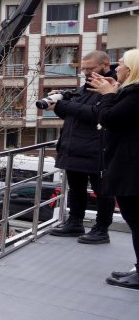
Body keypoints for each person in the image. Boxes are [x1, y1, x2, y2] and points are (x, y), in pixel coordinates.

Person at [47, 50, 116, 244]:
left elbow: (97, 114)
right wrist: (59, 104)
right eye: (84, 68)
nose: (86, 72)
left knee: (102, 191)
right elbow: (77, 115)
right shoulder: (86, 86)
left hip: (96, 149)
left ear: (105, 65)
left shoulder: (111, 87)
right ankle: (75, 222)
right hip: (75, 147)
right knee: (76, 188)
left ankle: (102, 229)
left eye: (90, 68)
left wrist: (66, 106)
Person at [86, 49, 139, 289]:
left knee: (136, 220)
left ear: (132, 69)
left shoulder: (136, 95)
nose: (116, 69)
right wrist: (114, 90)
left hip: (131, 168)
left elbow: (108, 118)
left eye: (121, 64)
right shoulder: (130, 92)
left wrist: (108, 95)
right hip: (128, 164)